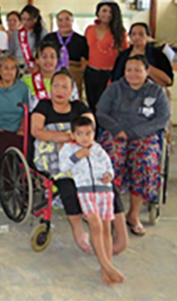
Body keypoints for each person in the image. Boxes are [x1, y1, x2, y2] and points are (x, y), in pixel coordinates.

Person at [31, 69, 128, 256]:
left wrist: (73, 139)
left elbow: (90, 128)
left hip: (83, 150)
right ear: (50, 88)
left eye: (65, 87)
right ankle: (78, 231)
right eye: (56, 86)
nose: (60, 91)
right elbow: (37, 131)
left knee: (106, 183)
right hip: (52, 154)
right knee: (67, 185)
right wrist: (68, 137)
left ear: (72, 90)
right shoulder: (43, 106)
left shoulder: (79, 107)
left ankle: (121, 233)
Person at [98, 55, 171, 236]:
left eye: (138, 70)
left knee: (144, 161)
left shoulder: (156, 92)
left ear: (147, 71)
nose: (133, 74)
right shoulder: (115, 88)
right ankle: (113, 211)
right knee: (111, 160)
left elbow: (162, 119)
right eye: (129, 70)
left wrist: (135, 133)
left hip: (144, 135)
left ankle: (133, 214)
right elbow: (101, 112)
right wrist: (116, 129)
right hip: (117, 133)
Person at [59, 117, 125, 286]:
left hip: (105, 192)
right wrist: (77, 156)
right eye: (80, 134)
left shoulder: (98, 149)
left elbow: (108, 167)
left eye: (88, 133)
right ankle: (106, 265)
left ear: (94, 134)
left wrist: (108, 175)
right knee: (95, 224)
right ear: (73, 135)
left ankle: (105, 268)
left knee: (106, 228)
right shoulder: (68, 148)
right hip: (85, 191)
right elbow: (63, 167)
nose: (84, 138)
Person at [0, 53, 29, 194]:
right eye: (5, 68)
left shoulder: (22, 88)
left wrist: (22, 128)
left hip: (18, 127)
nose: (9, 71)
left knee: (26, 147)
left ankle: (22, 183)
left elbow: (27, 111)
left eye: (12, 68)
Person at [84, 0, 128, 111]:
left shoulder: (120, 32)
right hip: (91, 73)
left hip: (109, 74)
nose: (107, 14)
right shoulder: (89, 29)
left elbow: (125, 54)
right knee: (92, 104)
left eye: (110, 12)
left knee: (106, 105)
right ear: (98, 12)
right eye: (104, 11)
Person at [43, 10, 89, 98]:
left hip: (74, 73)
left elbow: (85, 61)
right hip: (52, 71)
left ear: (72, 21)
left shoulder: (81, 40)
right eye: (60, 20)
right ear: (56, 22)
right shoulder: (49, 38)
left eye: (67, 19)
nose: (64, 23)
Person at [112, 22, 173, 87]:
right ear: (130, 36)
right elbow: (116, 78)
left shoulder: (156, 54)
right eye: (133, 34)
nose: (137, 37)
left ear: (148, 36)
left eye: (141, 34)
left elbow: (168, 81)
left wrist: (146, 68)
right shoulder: (123, 55)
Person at [24, 42, 79, 111]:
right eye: (44, 57)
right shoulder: (26, 80)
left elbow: (75, 106)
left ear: (57, 60)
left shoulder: (67, 80)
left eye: (52, 57)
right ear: (37, 60)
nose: (48, 60)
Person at [8, 5, 48, 73]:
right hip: (18, 67)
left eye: (28, 19)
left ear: (35, 19)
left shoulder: (42, 33)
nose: (25, 22)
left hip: (36, 66)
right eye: (23, 19)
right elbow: (11, 52)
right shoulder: (15, 34)